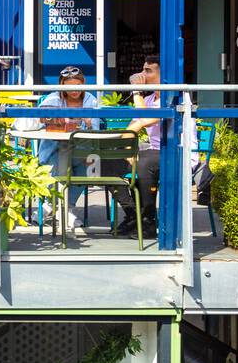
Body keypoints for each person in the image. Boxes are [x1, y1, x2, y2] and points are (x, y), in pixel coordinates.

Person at [36, 66, 101, 232]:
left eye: (77, 86)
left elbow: (95, 126)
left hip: (82, 149)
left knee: (91, 166)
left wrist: (86, 122)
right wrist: (64, 120)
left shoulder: (90, 100)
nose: (74, 91)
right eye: (69, 87)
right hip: (54, 149)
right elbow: (44, 116)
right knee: (59, 161)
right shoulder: (53, 98)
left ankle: (63, 207)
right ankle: (58, 207)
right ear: (62, 86)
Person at [108, 56, 163, 237]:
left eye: (148, 71)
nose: (142, 75)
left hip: (174, 151)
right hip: (153, 151)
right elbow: (130, 130)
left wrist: (137, 92)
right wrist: (125, 150)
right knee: (107, 159)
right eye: (142, 69)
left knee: (144, 162)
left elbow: (144, 120)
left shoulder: (171, 99)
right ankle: (132, 214)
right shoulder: (148, 101)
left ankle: (148, 221)